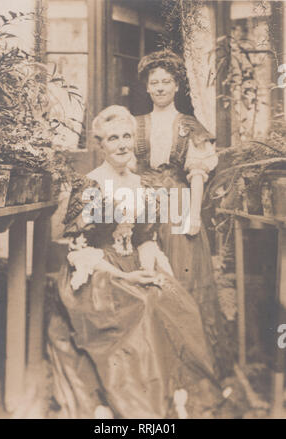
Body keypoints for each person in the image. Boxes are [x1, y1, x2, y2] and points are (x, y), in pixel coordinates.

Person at [47, 105, 237, 419]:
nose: (121, 144)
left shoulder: (141, 185)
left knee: (177, 301)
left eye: (125, 137)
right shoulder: (90, 185)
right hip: (96, 272)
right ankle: (141, 405)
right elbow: (79, 249)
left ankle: (181, 395)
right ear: (101, 145)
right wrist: (126, 278)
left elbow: (145, 239)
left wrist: (155, 270)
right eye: (112, 138)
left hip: (133, 263)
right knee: (142, 306)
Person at [134, 49, 232, 379]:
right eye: (154, 82)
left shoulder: (189, 126)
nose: (160, 87)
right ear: (147, 88)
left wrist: (194, 214)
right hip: (143, 206)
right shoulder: (135, 126)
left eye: (167, 81)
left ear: (177, 86)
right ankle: (151, 365)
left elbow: (198, 174)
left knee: (181, 276)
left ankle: (186, 367)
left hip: (177, 204)